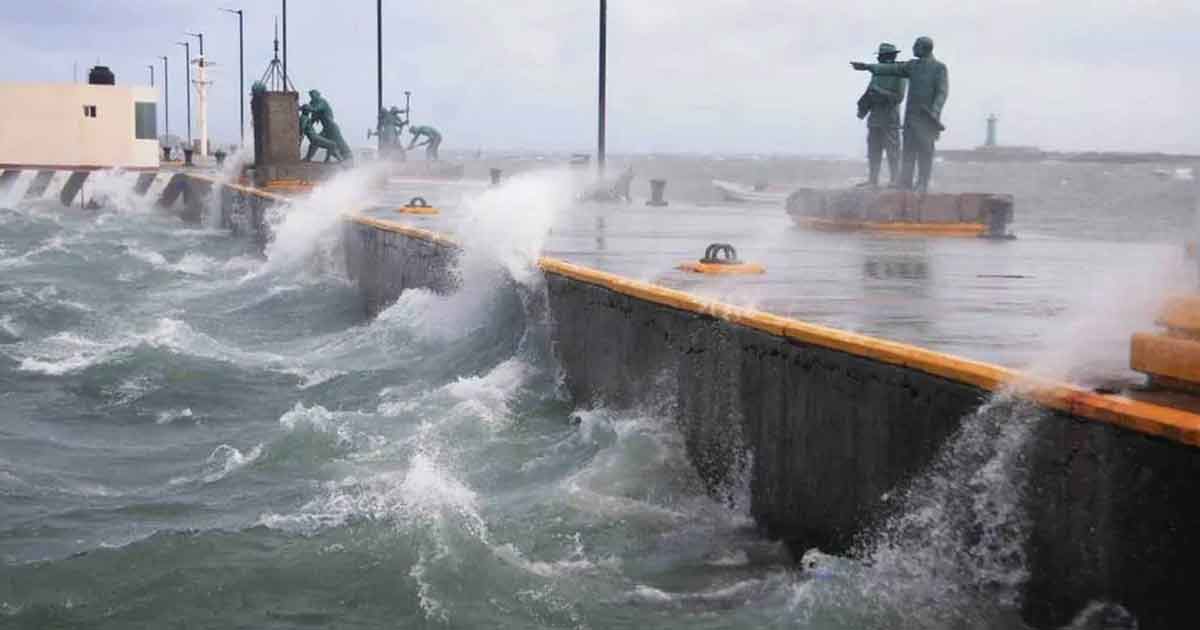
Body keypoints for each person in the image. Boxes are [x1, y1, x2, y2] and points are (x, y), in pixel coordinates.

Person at [852, 36, 948, 192]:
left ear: (924, 48)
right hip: (910, 119)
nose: (913, 49)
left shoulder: (939, 68)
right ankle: (905, 183)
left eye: (915, 46)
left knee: (925, 152)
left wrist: (935, 111)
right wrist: (868, 67)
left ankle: (922, 183)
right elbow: (891, 69)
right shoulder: (912, 66)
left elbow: (942, 93)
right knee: (908, 152)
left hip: (927, 118)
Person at [856, 42, 907, 187]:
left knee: (893, 151)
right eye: (880, 56)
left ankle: (895, 180)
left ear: (890, 57)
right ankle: (873, 180)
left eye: (882, 56)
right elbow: (869, 92)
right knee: (873, 151)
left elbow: (899, 97)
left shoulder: (899, 74)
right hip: (874, 119)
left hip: (890, 119)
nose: (879, 59)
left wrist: (879, 92)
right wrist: (863, 108)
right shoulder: (877, 74)